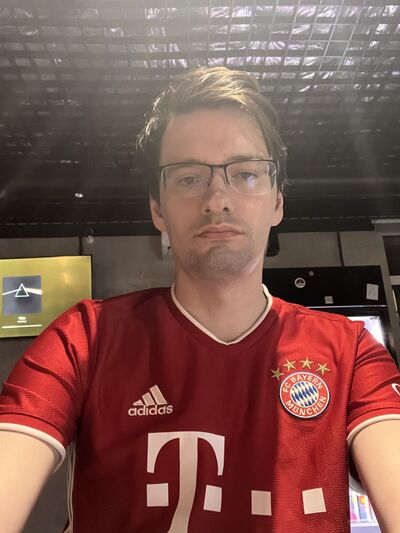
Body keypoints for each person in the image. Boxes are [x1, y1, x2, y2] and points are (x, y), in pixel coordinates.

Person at [0, 66, 400, 533]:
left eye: (245, 174)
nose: (217, 198)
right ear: (157, 208)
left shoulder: (351, 350)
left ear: (277, 202)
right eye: (189, 178)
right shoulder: (85, 339)